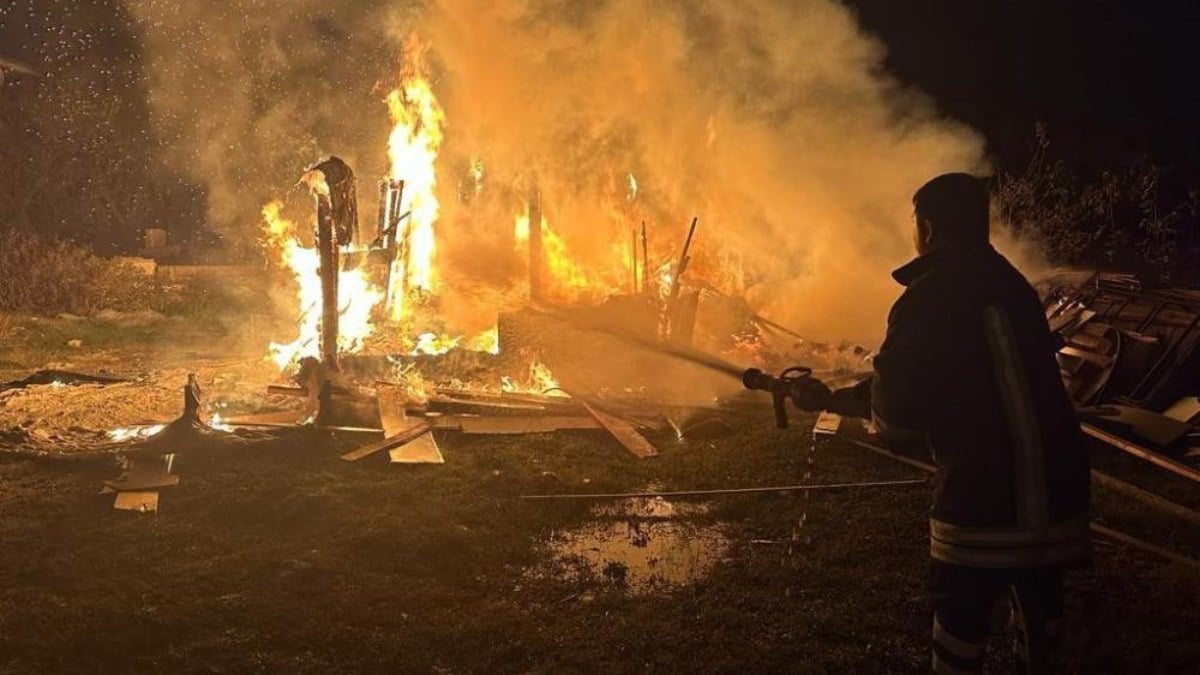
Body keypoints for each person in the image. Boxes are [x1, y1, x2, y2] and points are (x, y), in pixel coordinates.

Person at [792, 173, 1090, 674]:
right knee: (1040, 622)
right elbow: (962, 377)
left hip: (982, 500)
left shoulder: (927, 297)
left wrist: (846, 404)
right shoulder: (1013, 287)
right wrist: (837, 398)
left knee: (960, 622)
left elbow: (900, 407)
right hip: (1060, 494)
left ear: (927, 228)